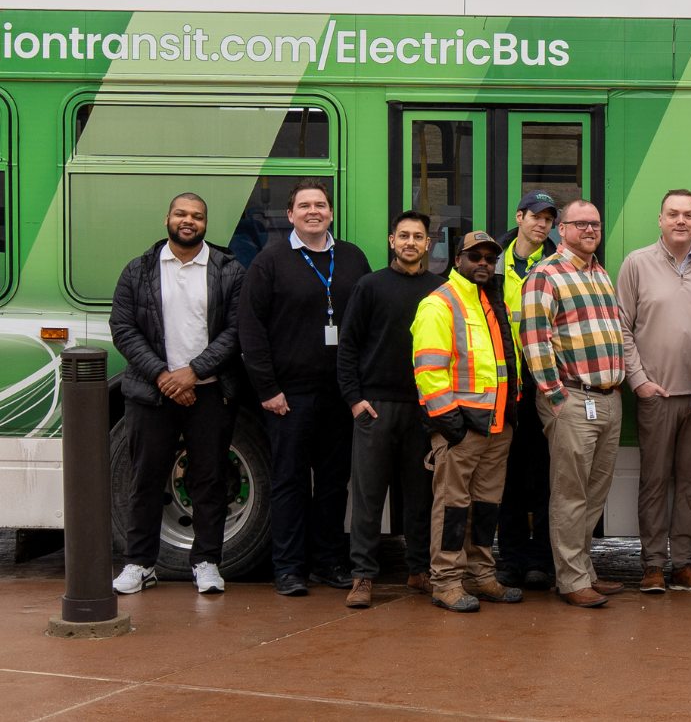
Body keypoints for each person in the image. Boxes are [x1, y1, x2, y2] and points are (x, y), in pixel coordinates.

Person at [237, 178, 372, 597]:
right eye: (304, 205)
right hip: (288, 398)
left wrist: (360, 387)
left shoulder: (352, 258)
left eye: (320, 204)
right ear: (291, 214)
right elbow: (251, 329)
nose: (313, 211)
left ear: (331, 213)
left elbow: (368, 324)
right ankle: (289, 568)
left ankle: (328, 562)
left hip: (341, 395)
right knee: (290, 482)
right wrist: (267, 389)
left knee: (334, 482)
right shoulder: (270, 261)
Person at [108, 193, 244, 596]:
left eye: (197, 216)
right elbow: (123, 328)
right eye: (182, 214)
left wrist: (194, 373)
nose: (189, 221)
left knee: (209, 480)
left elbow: (236, 331)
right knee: (145, 480)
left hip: (209, 392)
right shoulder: (139, 270)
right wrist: (163, 376)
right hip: (151, 394)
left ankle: (206, 563)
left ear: (206, 223)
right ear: (167, 218)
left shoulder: (228, 270)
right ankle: (139, 564)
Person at [616, 189, 691, 594]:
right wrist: (639, 381)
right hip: (656, 396)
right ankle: (652, 566)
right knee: (654, 480)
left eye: (689, 215)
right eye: (673, 214)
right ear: (660, 220)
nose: (681, 221)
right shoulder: (637, 264)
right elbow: (622, 326)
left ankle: (684, 564)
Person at [521, 199, 627, 608]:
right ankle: (570, 580)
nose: (589, 230)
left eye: (595, 224)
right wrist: (555, 396)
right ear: (560, 229)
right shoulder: (545, 275)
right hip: (570, 398)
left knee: (595, 493)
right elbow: (535, 339)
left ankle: (584, 569)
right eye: (580, 224)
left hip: (607, 398)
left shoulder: (600, 274)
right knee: (570, 493)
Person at [412, 231, 526, 612]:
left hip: (496, 428)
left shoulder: (493, 301)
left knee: (487, 505)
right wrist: (451, 426)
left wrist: (509, 416)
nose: (483, 263)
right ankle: (445, 582)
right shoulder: (439, 303)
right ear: (457, 259)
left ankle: (480, 575)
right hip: (461, 430)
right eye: (475, 256)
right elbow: (429, 372)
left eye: (489, 258)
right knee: (452, 507)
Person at [337, 211, 445, 608]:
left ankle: (419, 572)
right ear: (391, 241)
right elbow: (347, 346)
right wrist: (354, 400)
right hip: (375, 407)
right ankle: (362, 577)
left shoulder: (441, 290)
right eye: (404, 236)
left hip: (423, 409)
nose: (411, 242)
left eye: (418, 236)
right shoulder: (369, 286)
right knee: (368, 498)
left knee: (421, 497)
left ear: (428, 244)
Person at [496, 190, 561, 591]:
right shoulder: (491, 262)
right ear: (519, 217)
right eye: (535, 216)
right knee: (507, 480)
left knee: (544, 479)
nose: (542, 224)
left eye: (549, 219)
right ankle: (511, 560)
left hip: (543, 385)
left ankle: (542, 561)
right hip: (503, 386)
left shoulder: (559, 264)